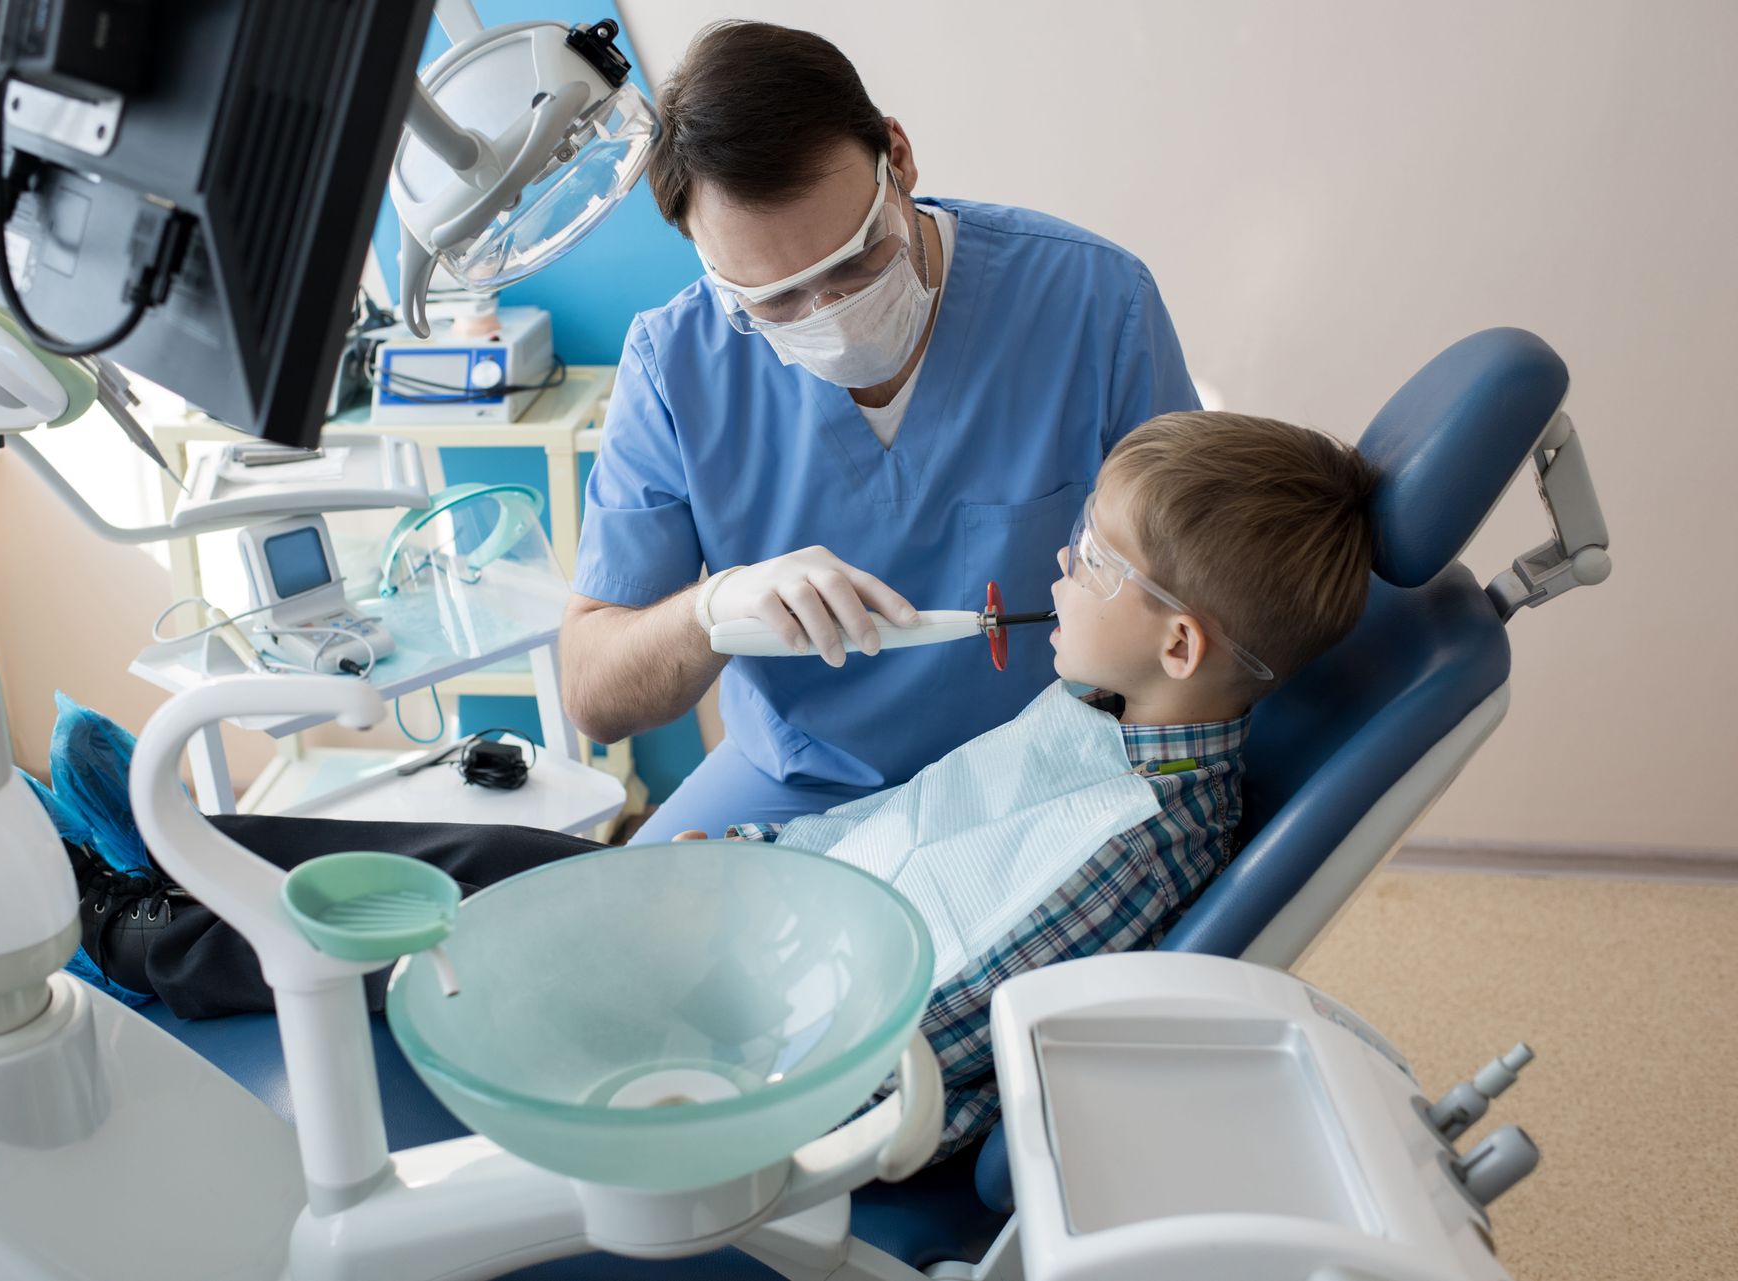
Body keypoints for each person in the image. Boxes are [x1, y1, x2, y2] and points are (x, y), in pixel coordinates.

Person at [69, 412, 1377, 1161]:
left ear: (1181, 643)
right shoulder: (1098, 708)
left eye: (1092, 555)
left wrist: (726, 1003)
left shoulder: (1140, 839)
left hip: (758, 1038)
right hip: (768, 919)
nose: (1059, 558)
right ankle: (175, 835)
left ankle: (134, 924)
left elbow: (933, 1040)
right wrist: (739, 857)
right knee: (485, 854)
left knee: (460, 907)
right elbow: (909, 828)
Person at [559, 21, 1200, 842]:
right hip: (802, 780)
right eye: (775, 300)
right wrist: (712, 609)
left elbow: (1198, 592)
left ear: (896, 156)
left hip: (1046, 771)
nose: (829, 318)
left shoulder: (1093, 304)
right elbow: (594, 693)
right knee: (641, 942)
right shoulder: (674, 363)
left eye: (853, 263)